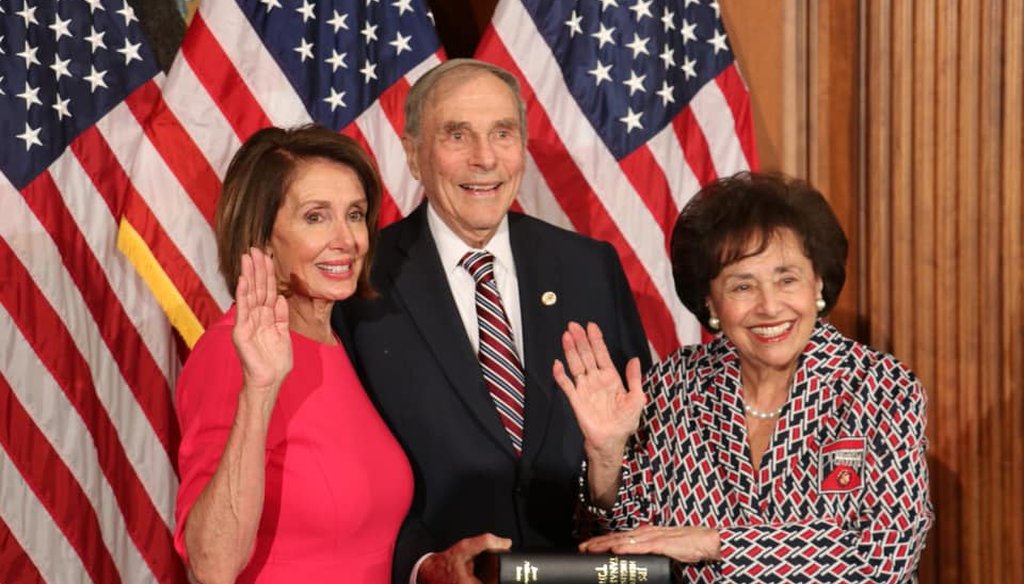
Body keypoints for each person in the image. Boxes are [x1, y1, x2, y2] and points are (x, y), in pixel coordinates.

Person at [335, 59, 652, 584]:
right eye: (457, 135)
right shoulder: (361, 283)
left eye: (502, 134)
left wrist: (606, 463)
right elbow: (342, 470)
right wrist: (423, 566)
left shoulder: (589, 267)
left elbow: (642, 455)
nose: (485, 159)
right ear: (413, 155)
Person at [554, 172, 934, 582]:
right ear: (710, 301)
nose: (770, 306)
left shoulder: (881, 387)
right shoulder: (674, 384)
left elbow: (887, 553)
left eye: (787, 279)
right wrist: (607, 456)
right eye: (742, 287)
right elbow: (621, 549)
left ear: (818, 284)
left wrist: (716, 543)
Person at [173, 125, 412, 583]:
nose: (347, 239)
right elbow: (211, 566)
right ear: (262, 238)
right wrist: (259, 389)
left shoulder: (341, 342)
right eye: (316, 217)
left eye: (356, 214)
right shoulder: (232, 354)